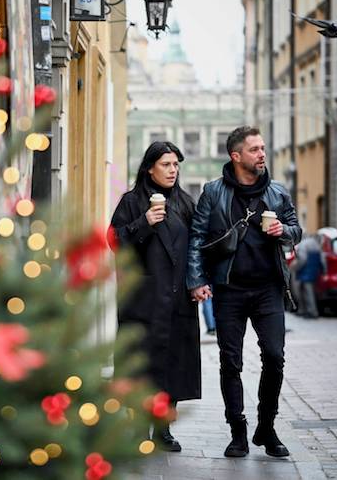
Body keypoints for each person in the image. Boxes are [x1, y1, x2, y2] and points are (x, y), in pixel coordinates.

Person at [187, 126, 301, 458]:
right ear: (236, 156)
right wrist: (197, 280)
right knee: (230, 361)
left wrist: (283, 231)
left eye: (263, 148)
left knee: (275, 357)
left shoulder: (277, 192)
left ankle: (267, 427)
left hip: (268, 289)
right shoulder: (213, 192)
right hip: (229, 290)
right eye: (254, 149)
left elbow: (297, 229)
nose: (262, 154)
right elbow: (197, 238)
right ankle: (237, 431)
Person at [109, 141, 201, 453]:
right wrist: (144, 223)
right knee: (140, 365)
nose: (173, 170)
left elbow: (197, 247)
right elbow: (114, 240)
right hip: (142, 300)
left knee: (173, 364)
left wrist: (198, 281)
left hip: (177, 299)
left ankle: (163, 430)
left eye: (176, 165)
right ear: (150, 168)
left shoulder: (185, 203)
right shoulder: (132, 201)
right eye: (166, 165)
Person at [293, 232, 323, 318]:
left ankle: (311, 312)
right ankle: (307, 310)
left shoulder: (303, 244)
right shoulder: (316, 244)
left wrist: (296, 268)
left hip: (305, 271)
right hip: (314, 271)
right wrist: (323, 270)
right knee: (308, 291)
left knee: (306, 292)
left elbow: (302, 259)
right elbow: (322, 259)